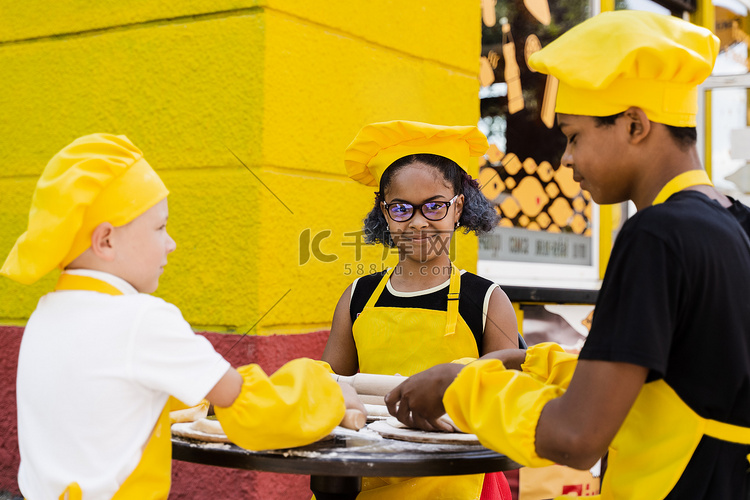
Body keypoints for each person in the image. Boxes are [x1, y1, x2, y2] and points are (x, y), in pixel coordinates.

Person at [384, 10, 750, 500]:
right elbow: (672, 380)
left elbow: (576, 437)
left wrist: (459, 388)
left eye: (575, 136)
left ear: (635, 125)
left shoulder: (656, 235)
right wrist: (526, 363)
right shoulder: (732, 220)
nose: (567, 160)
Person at [2, 133, 364, 499]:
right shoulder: (141, 319)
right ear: (106, 240)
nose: (171, 243)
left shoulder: (45, 314)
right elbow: (252, 412)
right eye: (160, 228)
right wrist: (325, 391)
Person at [321, 120, 519, 499]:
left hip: (455, 483)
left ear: (457, 207)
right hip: (367, 479)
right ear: (384, 211)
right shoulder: (357, 296)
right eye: (400, 208)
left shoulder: (487, 300)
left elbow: (509, 394)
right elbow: (332, 387)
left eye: (434, 206)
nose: (417, 222)